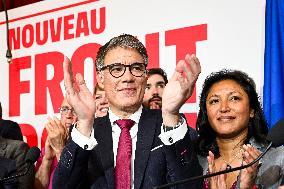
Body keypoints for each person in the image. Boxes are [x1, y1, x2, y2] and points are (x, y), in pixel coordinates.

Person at [52, 34, 203, 189]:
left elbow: (191, 185)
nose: (128, 77)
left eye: (136, 68)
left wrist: (171, 115)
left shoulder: (170, 126)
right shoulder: (86, 133)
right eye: (116, 69)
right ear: (100, 78)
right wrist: (84, 123)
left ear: (145, 75)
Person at [195, 69, 284, 189]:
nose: (224, 108)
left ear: (252, 110)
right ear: (206, 113)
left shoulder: (278, 158)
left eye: (234, 98)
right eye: (215, 101)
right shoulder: (194, 161)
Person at [143, 67, 198, 140]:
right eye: (147, 87)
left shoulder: (188, 134)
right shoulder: (130, 130)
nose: (155, 92)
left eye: (160, 86)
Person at [34, 98, 77, 189]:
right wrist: (47, 159)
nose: (68, 115)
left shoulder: (89, 149)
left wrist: (60, 150)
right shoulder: (49, 148)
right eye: (64, 109)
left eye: (75, 110)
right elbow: (38, 187)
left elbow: (72, 184)